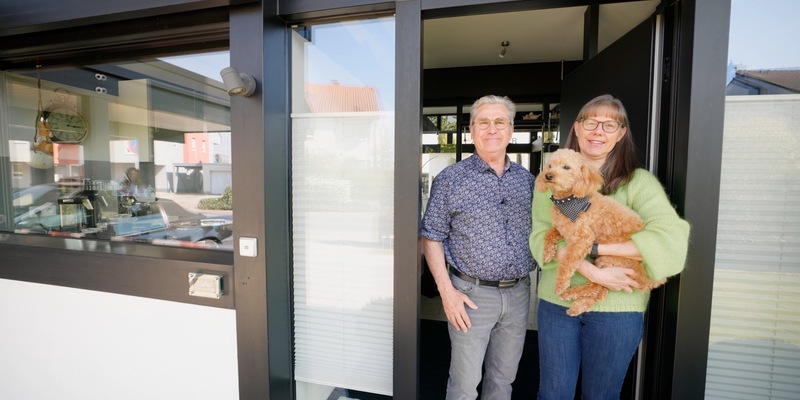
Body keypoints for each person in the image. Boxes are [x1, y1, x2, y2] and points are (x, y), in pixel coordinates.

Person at [530, 94, 690, 400]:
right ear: (576, 128)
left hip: (617, 311)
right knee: (552, 394)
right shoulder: (549, 181)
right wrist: (594, 271)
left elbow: (671, 239)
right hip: (556, 304)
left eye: (609, 124)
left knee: (601, 396)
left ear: (621, 133)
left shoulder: (638, 183)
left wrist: (597, 250)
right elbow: (540, 239)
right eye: (590, 122)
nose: (598, 131)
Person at [420, 95, 535, 400]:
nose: (492, 129)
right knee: (464, 384)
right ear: (472, 130)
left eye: (500, 122)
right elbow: (431, 236)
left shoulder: (529, 182)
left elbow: (567, 216)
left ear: (511, 130)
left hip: (519, 293)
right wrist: (447, 292)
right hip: (470, 296)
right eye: (483, 122)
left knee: (503, 380)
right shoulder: (450, 180)